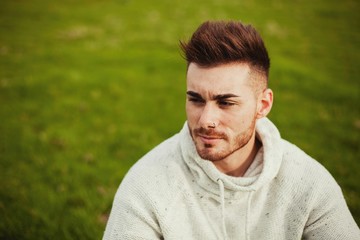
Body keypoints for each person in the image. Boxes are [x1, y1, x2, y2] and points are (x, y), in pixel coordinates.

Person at [103, 20, 360, 240]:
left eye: (225, 102)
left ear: (263, 104)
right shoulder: (146, 185)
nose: (206, 120)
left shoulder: (308, 185)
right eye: (196, 99)